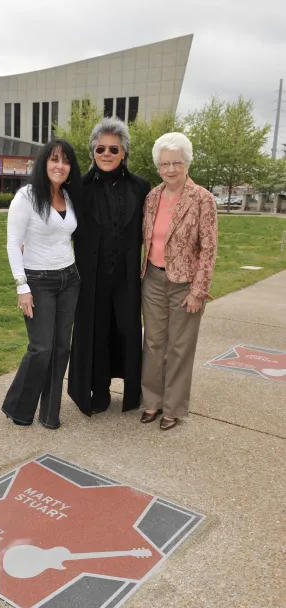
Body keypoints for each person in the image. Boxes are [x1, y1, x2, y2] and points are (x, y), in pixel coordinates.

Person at [68, 117, 150, 416]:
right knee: (95, 335)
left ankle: (131, 393)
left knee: (128, 333)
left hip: (127, 279)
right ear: (92, 151)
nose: (106, 154)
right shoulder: (78, 188)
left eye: (113, 149)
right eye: (100, 148)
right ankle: (98, 392)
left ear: (123, 153)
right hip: (91, 280)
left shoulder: (141, 187)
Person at [1, 139, 82, 429]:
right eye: (54, 159)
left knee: (62, 348)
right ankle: (17, 407)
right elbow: (13, 244)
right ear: (44, 163)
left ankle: (50, 412)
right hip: (38, 281)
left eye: (66, 161)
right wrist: (22, 286)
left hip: (69, 279)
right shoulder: (27, 196)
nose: (60, 166)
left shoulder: (70, 197)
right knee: (41, 348)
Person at [141, 132, 218, 430]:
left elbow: (209, 248)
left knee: (180, 347)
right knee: (153, 343)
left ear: (186, 163)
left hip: (186, 284)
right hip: (152, 279)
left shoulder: (202, 199)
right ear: (158, 167)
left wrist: (199, 291)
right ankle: (151, 401)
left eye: (176, 163)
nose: (170, 169)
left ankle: (172, 408)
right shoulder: (152, 197)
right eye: (164, 164)